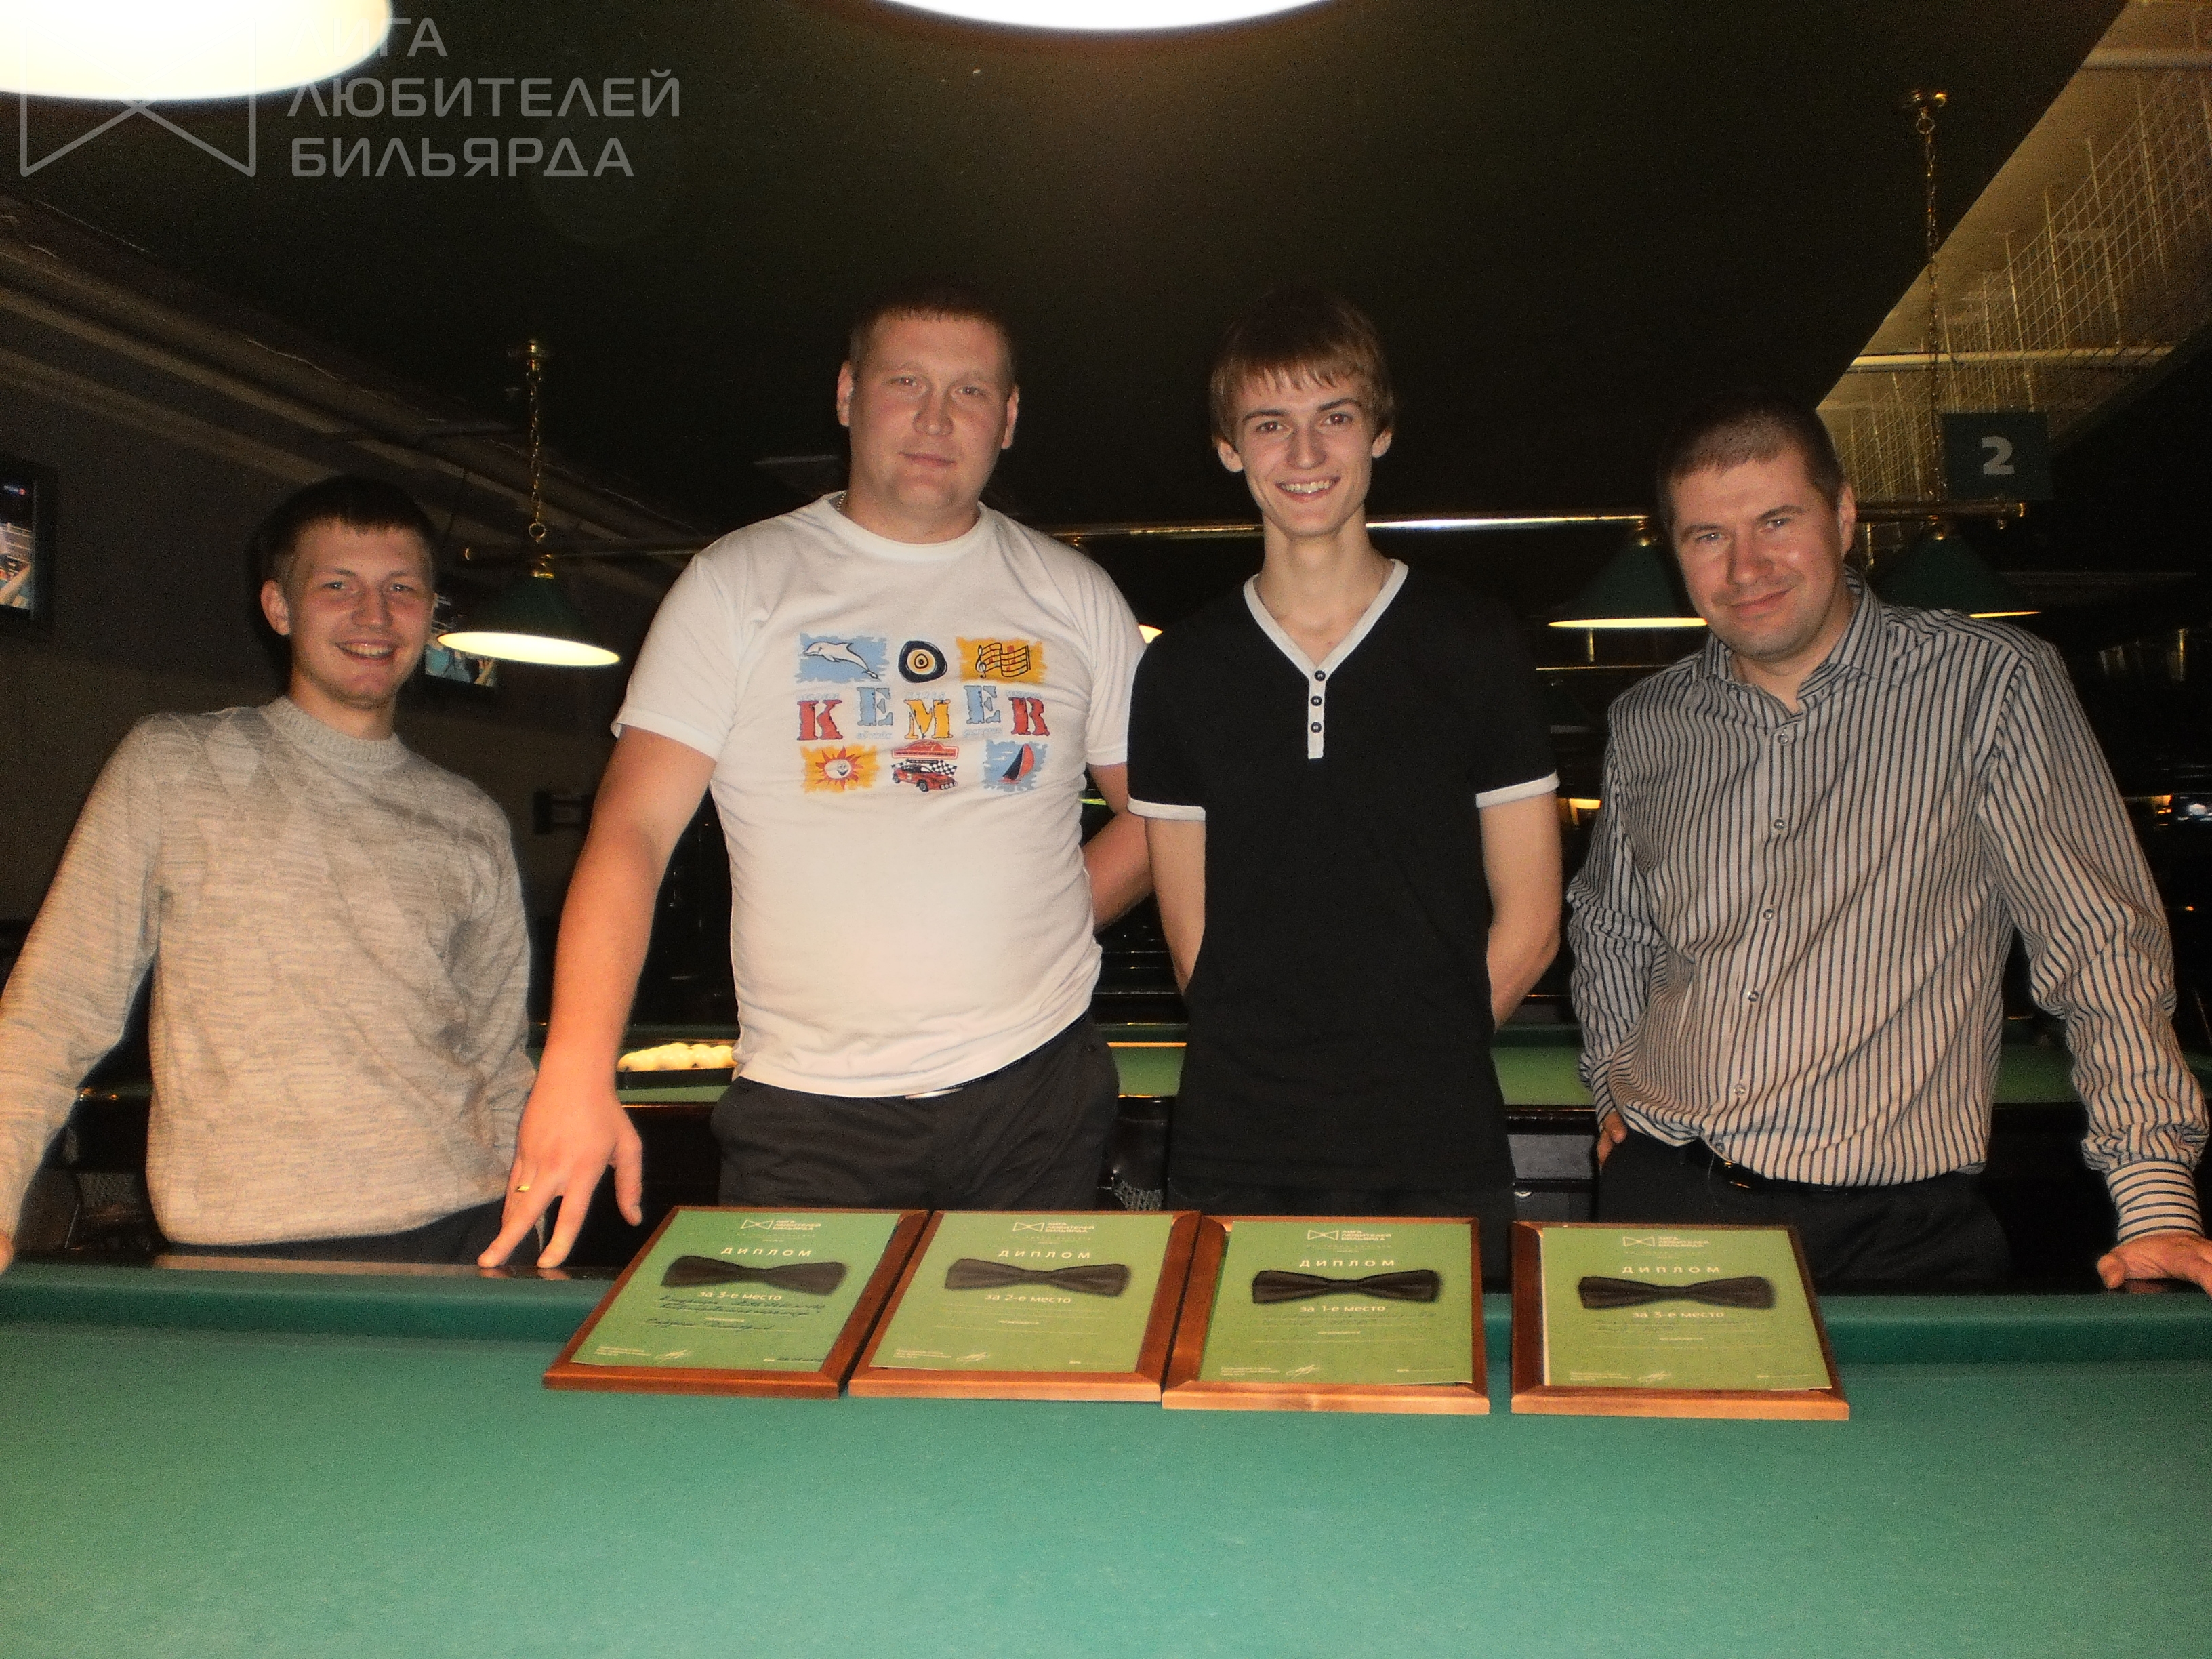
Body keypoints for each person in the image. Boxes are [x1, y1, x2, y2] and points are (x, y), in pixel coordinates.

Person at [480, 281, 1149, 1267]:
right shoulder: (736, 583)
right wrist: (576, 1069)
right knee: (791, 1369)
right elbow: (633, 831)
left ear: (1008, 418)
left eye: (970, 391)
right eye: (906, 382)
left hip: (1036, 1096)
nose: (935, 418)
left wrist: (1056, 911)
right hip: (808, 1114)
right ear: (847, 394)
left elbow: (1162, 815)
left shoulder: (1077, 595)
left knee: (1017, 1366)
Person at [1568, 388, 2211, 1290]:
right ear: (1677, 552)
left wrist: (2156, 1203)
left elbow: (2099, 943)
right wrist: (1612, 1082)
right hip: (1671, 1195)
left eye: (1777, 520)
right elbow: (1609, 929)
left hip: (1901, 1230)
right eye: (1708, 536)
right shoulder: (1648, 720)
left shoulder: (1992, 684)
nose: (1746, 566)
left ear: (1842, 516)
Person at [1126, 287, 1561, 1273]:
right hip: (1234, 1155)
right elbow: (1196, 953)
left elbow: (1533, 921)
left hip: (1439, 1149)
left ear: (1381, 431)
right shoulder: (1181, 670)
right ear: (1229, 448)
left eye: (1335, 416)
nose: (1306, 453)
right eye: (1269, 425)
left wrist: (1413, 1069)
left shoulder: (1475, 644)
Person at [0, 476, 537, 1271]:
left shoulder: (471, 818)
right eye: (337, 586)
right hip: (244, 1241)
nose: (374, 616)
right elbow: (58, 1002)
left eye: (401, 589)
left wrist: (527, 1221)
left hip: (463, 1226)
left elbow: (500, 1058)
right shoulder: (172, 763)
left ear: (431, 615)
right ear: (280, 607)